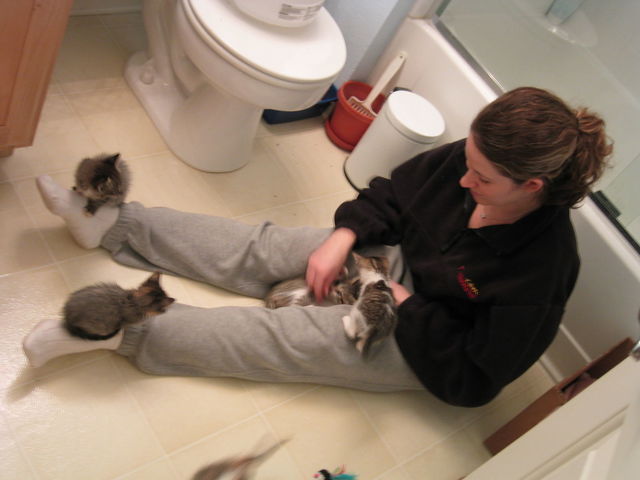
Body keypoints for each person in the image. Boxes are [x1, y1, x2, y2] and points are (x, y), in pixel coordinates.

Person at [23, 87, 612, 407]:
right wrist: (343, 238)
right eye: (467, 161)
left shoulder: (541, 271)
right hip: (397, 264)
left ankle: (114, 331)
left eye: (480, 178)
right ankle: (111, 225)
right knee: (266, 248)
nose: (462, 180)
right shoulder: (469, 160)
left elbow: (478, 375)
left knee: (284, 339)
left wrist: (404, 304)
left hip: (426, 340)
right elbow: (392, 194)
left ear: (531, 187)